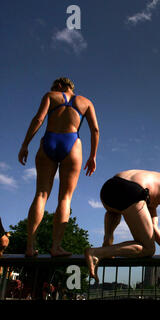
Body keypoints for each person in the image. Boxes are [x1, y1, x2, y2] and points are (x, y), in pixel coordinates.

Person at [18, 77, 99, 257]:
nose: (53, 89)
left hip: (49, 140)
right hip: (72, 144)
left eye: (55, 86)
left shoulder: (51, 96)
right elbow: (95, 130)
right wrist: (93, 156)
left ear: (60, 86)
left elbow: (39, 119)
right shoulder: (86, 102)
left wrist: (25, 144)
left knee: (41, 194)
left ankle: (30, 247)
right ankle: (56, 247)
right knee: (65, 198)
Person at [84, 170, 160, 282]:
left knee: (114, 210)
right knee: (148, 249)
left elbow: (153, 229)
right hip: (130, 190)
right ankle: (97, 253)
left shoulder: (152, 195)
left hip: (109, 187)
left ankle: (107, 242)